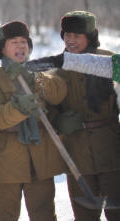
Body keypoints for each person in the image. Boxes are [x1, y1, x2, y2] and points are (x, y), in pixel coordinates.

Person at [30, 11, 120, 220]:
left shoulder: (109, 62)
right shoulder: (54, 71)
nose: (70, 41)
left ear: (91, 35)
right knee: (84, 215)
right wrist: (58, 121)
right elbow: (45, 109)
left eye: (77, 36)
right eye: (67, 35)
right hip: (76, 154)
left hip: (112, 151)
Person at [0, 20, 67, 221]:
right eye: (14, 42)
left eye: (23, 41)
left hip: (41, 156)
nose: (20, 46)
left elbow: (59, 94)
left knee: (44, 214)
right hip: (7, 159)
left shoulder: (40, 71)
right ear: (2, 48)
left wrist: (36, 78)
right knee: (5, 215)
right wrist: (19, 107)